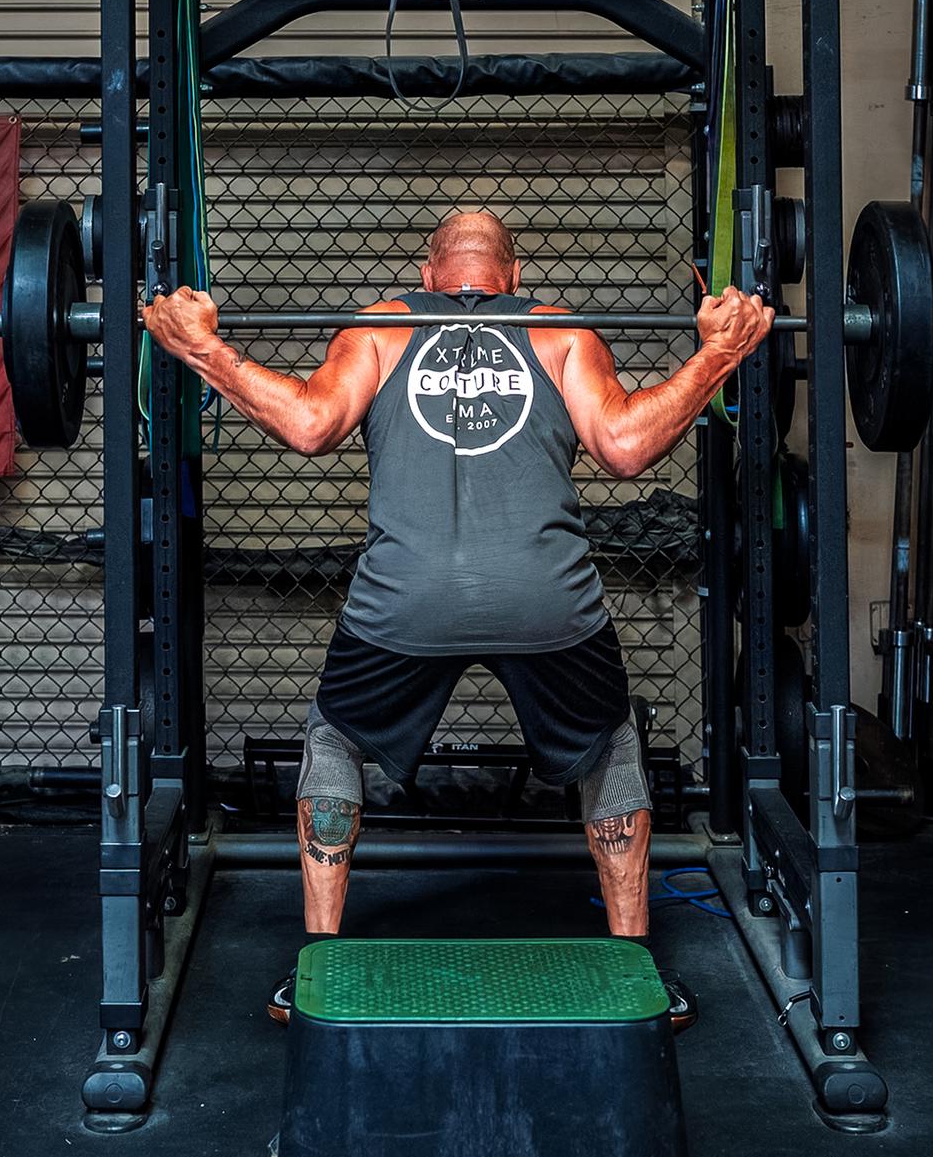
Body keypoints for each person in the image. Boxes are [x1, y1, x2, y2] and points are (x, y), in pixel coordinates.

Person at [143, 211, 774, 1030]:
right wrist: (719, 353)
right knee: (611, 742)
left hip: (405, 603)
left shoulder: (381, 327)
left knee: (334, 738)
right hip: (545, 600)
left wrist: (202, 348)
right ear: (513, 277)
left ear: (429, 272)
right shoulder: (556, 331)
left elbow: (308, 425)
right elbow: (623, 446)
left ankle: (319, 966)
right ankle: (635, 969)